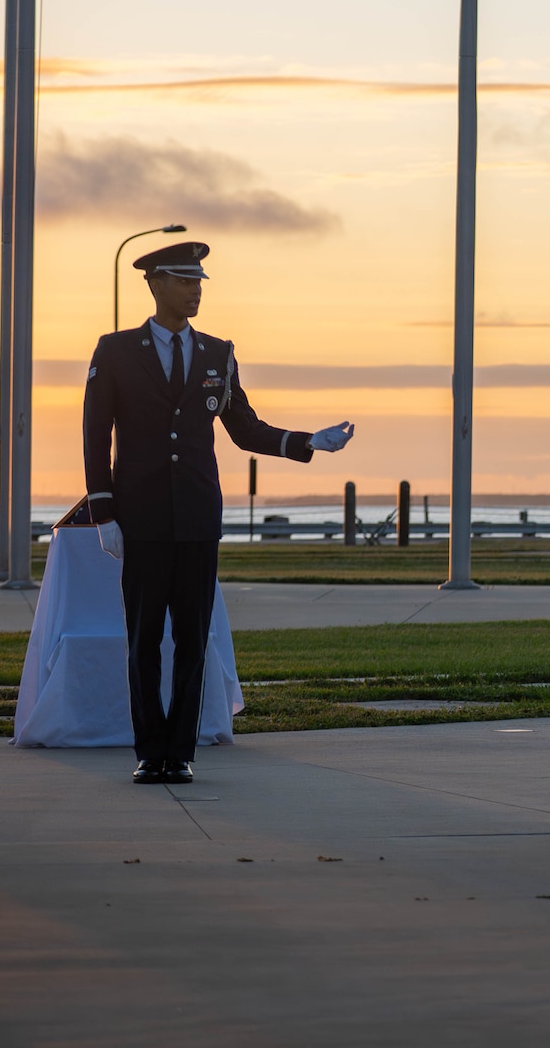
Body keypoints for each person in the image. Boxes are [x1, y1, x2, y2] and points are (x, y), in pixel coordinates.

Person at [83, 241, 352, 787]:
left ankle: (179, 753)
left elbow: (244, 427)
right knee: (142, 644)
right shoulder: (114, 352)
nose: (196, 289)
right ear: (156, 284)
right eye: (185, 281)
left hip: (199, 519)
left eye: (200, 281)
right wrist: (104, 510)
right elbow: (95, 433)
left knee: (191, 639)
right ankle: (149, 750)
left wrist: (307, 442)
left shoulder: (216, 354)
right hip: (143, 518)